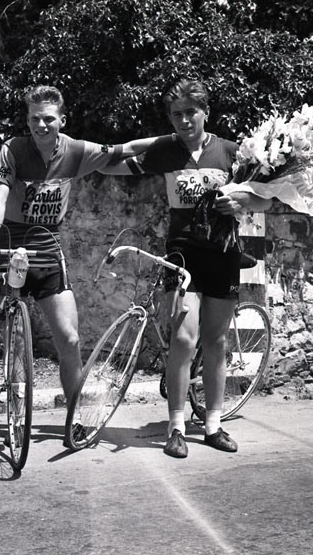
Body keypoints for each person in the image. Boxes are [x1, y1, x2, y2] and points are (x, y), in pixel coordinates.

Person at [0, 85, 166, 445]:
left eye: (49, 118)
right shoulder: (13, 149)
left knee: (70, 338)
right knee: (16, 337)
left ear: (62, 120)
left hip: (48, 251)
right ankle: (15, 417)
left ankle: (73, 418)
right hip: (11, 248)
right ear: (27, 120)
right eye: (35, 118)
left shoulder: (76, 151)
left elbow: (125, 149)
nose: (41, 125)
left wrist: (172, 139)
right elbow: (0, 195)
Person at [104, 78, 272, 458]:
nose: (184, 120)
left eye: (190, 112)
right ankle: (176, 427)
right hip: (181, 255)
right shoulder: (166, 150)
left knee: (216, 341)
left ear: (205, 112)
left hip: (223, 253)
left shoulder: (232, 152)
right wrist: (87, 157)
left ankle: (213, 425)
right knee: (182, 338)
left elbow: (265, 199)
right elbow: (116, 167)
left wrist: (241, 204)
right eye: (176, 114)